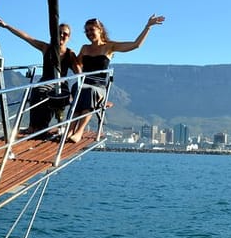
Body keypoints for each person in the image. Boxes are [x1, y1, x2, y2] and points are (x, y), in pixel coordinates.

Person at [67, 14, 165, 143]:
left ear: (100, 29)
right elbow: (76, 64)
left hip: (98, 87)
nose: (89, 33)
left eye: (92, 29)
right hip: (84, 84)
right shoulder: (85, 48)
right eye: (87, 30)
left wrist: (148, 27)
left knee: (88, 91)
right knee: (78, 88)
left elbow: (135, 45)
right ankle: (69, 131)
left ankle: (78, 132)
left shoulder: (109, 46)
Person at [0, 17, 80, 134]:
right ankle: (33, 127)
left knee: (48, 93)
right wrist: (7, 26)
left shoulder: (70, 54)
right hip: (45, 80)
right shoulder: (46, 48)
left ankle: (42, 127)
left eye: (64, 34)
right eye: (58, 33)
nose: (61, 35)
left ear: (69, 37)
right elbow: (27, 37)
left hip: (60, 84)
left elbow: (79, 73)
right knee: (37, 91)